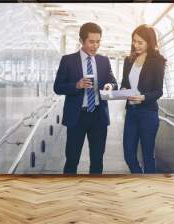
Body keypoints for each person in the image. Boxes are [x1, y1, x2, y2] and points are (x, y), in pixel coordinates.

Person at [54, 22, 118, 174]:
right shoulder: (68, 60)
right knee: (72, 160)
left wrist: (110, 86)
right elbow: (57, 87)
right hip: (77, 117)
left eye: (98, 42)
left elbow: (113, 81)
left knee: (97, 161)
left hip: (98, 116)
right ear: (82, 41)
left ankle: (93, 193)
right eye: (91, 41)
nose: (95, 46)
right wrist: (76, 85)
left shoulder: (104, 61)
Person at [121, 25, 166, 174]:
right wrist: (121, 90)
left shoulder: (157, 61)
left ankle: (148, 187)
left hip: (148, 113)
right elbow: (124, 83)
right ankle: (138, 178)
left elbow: (159, 91)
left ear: (149, 42)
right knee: (128, 154)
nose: (136, 45)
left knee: (148, 156)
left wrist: (143, 97)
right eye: (134, 41)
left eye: (140, 42)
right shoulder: (128, 60)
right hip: (131, 113)